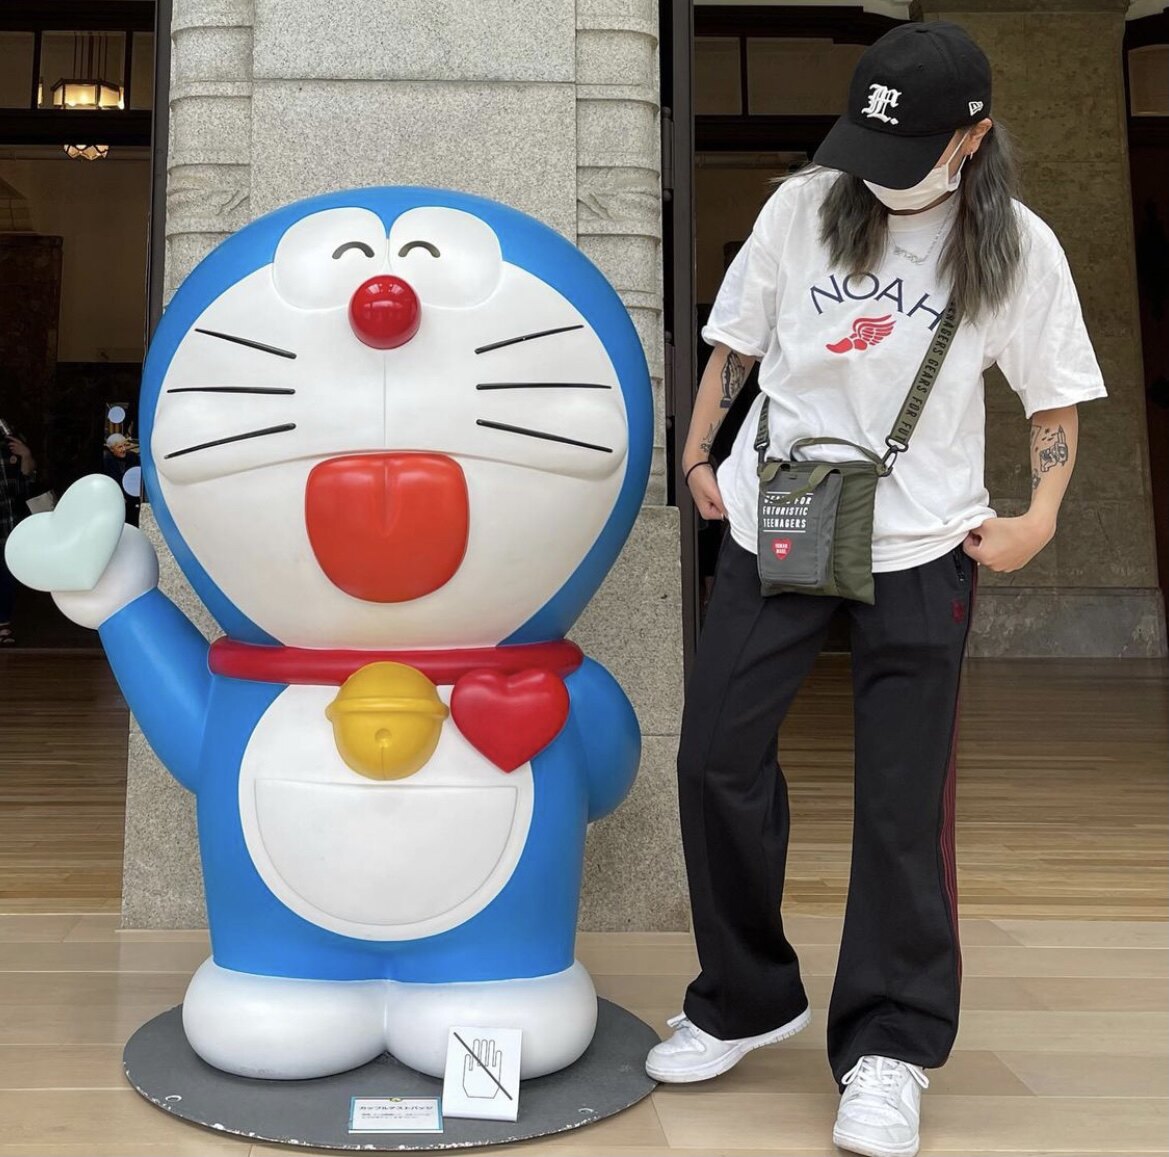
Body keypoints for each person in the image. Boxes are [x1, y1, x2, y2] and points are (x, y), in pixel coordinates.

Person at [646, 22, 1106, 1157]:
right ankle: (745, 994)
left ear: (970, 139)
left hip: (921, 543)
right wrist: (697, 454)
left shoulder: (1015, 245)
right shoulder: (802, 206)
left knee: (903, 804)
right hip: (785, 516)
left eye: (907, 153)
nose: (878, 173)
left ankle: (889, 1045)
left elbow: (1052, 396)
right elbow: (734, 346)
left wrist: (1039, 515)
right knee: (713, 756)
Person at [0, 418, 38, 647]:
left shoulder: (10, 440)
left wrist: (26, 455)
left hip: (8, 520)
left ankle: (3, 625)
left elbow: (27, 481)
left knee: (6, 575)